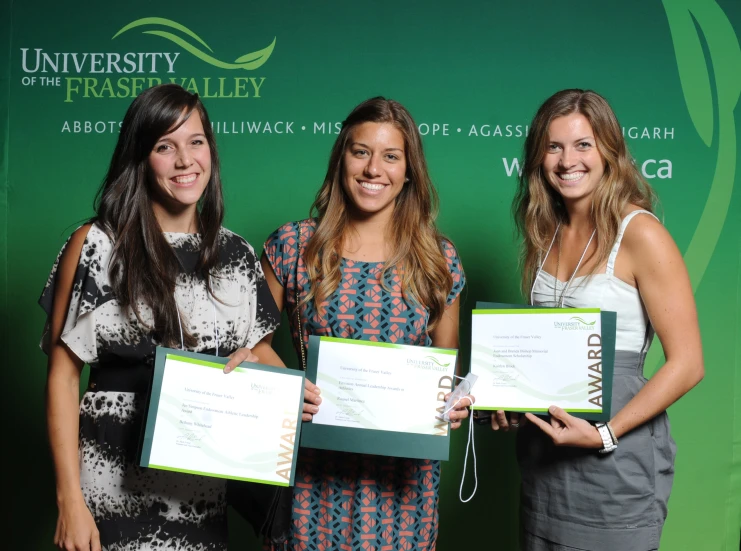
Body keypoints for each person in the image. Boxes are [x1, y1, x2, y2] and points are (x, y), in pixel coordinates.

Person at [40, 83, 282, 551]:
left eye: (196, 142)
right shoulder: (97, 244)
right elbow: (63, 377)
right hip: (108, 490)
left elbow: (262, 352)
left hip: (200, 487)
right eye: (164, 146)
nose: (185, 160)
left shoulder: (236, 253)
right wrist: (70, 501)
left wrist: (293, 390)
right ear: (140, 157)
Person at [496, 88, 704, 550]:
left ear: (609, 150)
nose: (568, 160)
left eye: (583, 144)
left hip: (615, 459)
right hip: (543, 464)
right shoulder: (544, 234)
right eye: (554, 146)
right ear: (539, 156)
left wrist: (605, 433)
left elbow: (688, 363)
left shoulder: (641, 233)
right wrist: (509, 402)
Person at [260, 96, 470, 550]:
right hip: (312, 473)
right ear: (342, 160)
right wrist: (287, 386)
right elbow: (249, 344)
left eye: (391, 156)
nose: (374, 169)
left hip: (402, 483)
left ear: (408, 170)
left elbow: (445, 368)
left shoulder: (437, 259)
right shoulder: (294, 245)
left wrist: (453, 402)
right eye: (361, 152)